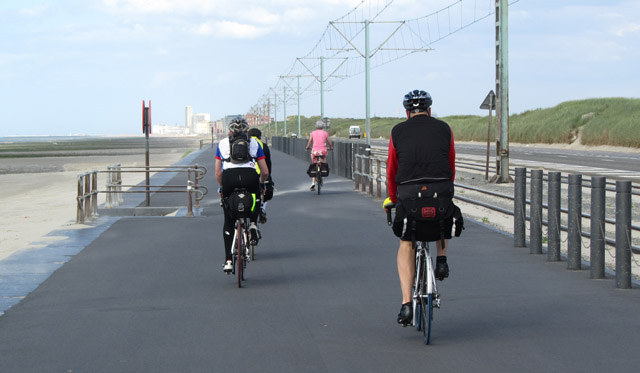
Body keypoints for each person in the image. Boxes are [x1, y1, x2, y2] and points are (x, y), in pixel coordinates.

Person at [383, 90, 457, 326]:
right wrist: (447, 187)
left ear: (407, 112)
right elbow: (450, 163)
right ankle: (442, 259)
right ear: (430, 111)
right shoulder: (445, 128)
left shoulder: (397, 131)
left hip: (409, 192)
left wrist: (393, 197)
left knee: (406, 241)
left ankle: (406, 304)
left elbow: (392, 169)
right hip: (441, 188)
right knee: (443, 215)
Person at [215, 117, 269, 273]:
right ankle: (252, 222)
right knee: (257, 195)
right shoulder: (254, 143)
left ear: (229, 131)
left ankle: (228, 260)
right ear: (247, 130)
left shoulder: (222, 144)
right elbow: (264, 171)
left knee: (228, 220)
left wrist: (222, 187)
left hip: (229, 178)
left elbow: (218, 172)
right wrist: (261, 183)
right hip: (249, 176)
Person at [248, 128, 273, 223]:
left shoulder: (248, 143)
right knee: (267, 190)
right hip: (260, 174)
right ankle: (262, 207)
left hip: (248, 173)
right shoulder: (263, 145)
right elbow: (268, 163)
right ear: (260, 137)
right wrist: (268, 176)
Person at [305, 120, 333, 191]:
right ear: (322, 126)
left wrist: (307, 147)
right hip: (323, 151)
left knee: (314, 163)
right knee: (323, 160)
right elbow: (329, 142)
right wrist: (331, 147)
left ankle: (313, 183)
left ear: (316, 126)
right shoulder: (325, 133)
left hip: (315, 151)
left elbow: (310, 141)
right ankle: (323, 170)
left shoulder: (313, 133)